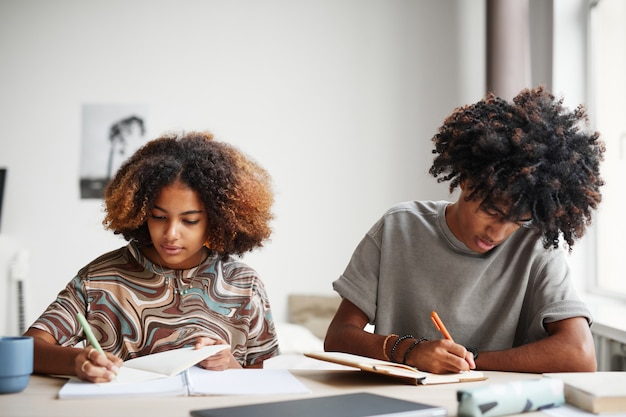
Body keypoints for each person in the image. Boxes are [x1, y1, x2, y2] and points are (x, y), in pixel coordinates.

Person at [324, 86, 604, 374]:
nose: (498, 233)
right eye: (492, 211)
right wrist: (411, 351)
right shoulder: (399, 227)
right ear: (466, 180)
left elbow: (580, 354)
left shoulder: (535, 247)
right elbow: (338, 337)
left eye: (517, 220)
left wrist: (464, 360)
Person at [25, 131, 279, 382]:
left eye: (189, 221)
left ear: (217, 221)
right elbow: (28, 348)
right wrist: (77, 361)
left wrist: (231, 365)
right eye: (158, 217)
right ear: (140, 212)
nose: (170, 234)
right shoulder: (100, 279)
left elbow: (265, 373)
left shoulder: (244, 283)